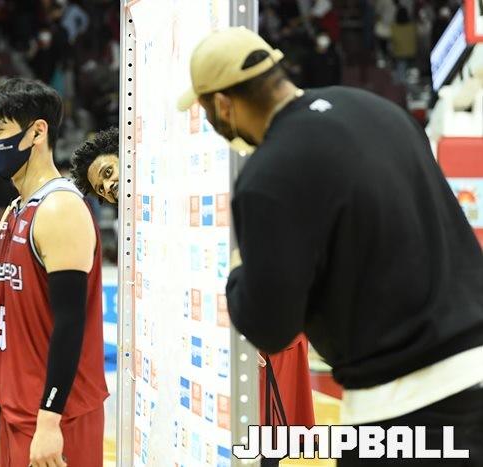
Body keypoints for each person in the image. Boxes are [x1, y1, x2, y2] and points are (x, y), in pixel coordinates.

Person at [178, 27, 483, 465]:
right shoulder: (379, 110)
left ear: (224, 104)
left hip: (404, 404)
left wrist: (241, 271)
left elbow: (270, 328)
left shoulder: (268, 174)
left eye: (207, 111)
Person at [71, 127, 315, 467]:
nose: (109, 186)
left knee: (261, 450)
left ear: (127, 156)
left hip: (259, 328)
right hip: (213, 352)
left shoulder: (187, 192)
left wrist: (248, 331)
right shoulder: (146, 221)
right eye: (101, 188)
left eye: (109, 171)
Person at [0, 78, 108, 466]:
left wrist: (50, 421)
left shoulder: (60, 208)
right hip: (16, 407)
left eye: (0, 130)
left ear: (37, 132)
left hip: (58, 416)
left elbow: (71, 323)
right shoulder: (14, 212)